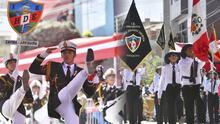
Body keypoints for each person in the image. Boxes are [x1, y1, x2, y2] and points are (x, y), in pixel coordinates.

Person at [29, 41, 98, 124]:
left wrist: (91, 80)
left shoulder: (78, 70)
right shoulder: (52, 67)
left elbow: (89, 93)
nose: (67, 55)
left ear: (74, 55)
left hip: (70, 106)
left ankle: (88, 73)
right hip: (57, 103)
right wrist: (44, 54)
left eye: (69, 52)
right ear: (61, 55)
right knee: (68, 89)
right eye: (64, 53)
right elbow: (33, 69)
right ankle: (86, 72)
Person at [0, 53, 33, 124]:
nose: (13, 64)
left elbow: (30, 99)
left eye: (14, 62)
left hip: (19, 108)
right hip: (6, 106)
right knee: (15, 97)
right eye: (10, 62)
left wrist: (23, 99)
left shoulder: (22, 79)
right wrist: (11, 81)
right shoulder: (2, 79)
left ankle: (22, 89)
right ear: (6, 65)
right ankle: (22, 89)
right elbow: (2, 93)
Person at [178, 44, 206, 124]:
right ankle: (190, 122)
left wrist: (204, 52)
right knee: (189, 106)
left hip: (197, 86)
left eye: (193, 49)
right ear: (185, 51)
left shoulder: (197, 60)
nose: (192, 50)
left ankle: (201, 121)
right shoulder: (182, 61)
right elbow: (185, 69)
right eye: (189, 49)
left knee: (200, 104)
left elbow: (203, 62)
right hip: (187, 86)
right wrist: (192, 59)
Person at [158, 51, 181, 124]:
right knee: (170, 108)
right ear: (169, 58)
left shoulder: (181, 66)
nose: (174, 57)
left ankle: (181, 119)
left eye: (175, 56)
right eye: (172, 56)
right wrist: (159, 95)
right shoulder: (165, 68)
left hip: (178, 87)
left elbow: (183, 78)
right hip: (169, 88)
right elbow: (161, 81)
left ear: (177, 58)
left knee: (179, 103)